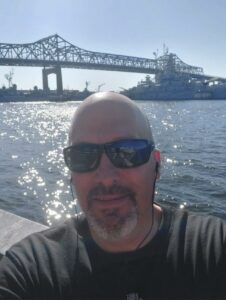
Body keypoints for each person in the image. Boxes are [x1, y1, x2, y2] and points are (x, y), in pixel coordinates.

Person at [0, 92, 226, 300]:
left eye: (127, 151)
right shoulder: (30, 267)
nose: (106, 178)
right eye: (83, 155)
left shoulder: (214, 248)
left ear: (156, 164)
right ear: (71, 172)